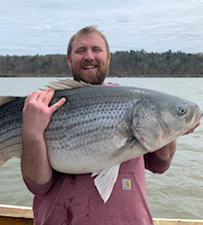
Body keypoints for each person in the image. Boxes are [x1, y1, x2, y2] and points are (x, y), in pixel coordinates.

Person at [20, 26, 199, 225]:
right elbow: (38, 186)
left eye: (97, 49)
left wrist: (175, 128)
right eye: (81, 50)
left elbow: (160, 165)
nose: (89, 56)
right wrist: (33, 135)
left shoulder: (136, 102)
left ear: (108, 58)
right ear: (69, 60)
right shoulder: (40, 108)